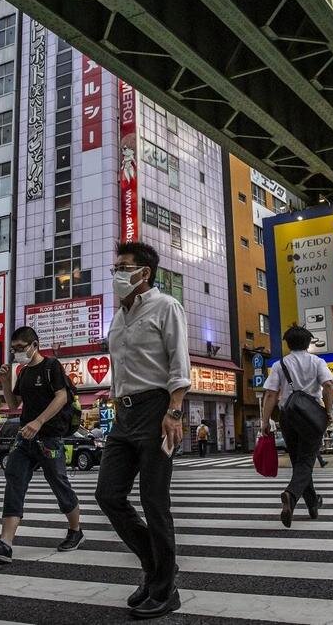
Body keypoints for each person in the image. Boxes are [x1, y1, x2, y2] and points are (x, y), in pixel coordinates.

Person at [94, 242, 190, 619]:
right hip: (124, 415)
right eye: (114, 266)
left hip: (157, 410)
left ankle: (164, 589)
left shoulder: (167, 306)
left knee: (154, 500)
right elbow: (120, 369)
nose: (116, 272)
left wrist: (175, 412)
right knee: (108, 495)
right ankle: (158, 568)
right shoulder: (118, 316)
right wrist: (116, 398)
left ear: (143, 272)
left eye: (123, 266)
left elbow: (179, 365)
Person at [0, 327, 84, 564]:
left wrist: (39, 421)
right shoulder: (23, 373)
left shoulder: (51, 366)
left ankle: (76, 530)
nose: (16, 353)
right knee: (14, 480)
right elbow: (15, 404)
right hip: (25, 438)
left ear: (35, 345)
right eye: (13, 350)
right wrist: (5, 381)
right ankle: (5, 544)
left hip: (49, 438)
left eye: (20, 348)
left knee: (58, 482)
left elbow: (62, 396)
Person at [261, 325, 333, 527]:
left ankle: (312, 504)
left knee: (299, 462)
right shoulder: (317, 362)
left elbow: (270, 394)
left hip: (288, 416)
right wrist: (328, 412)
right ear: (308, 342)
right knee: (306, 461)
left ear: (288, 343)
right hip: (311, 417)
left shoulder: (280, 364)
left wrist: (264, 422)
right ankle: (291, 495)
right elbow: (328, 386)